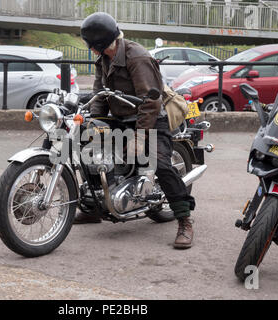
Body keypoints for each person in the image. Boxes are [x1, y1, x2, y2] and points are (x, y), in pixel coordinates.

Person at [76, 12, 196, 249]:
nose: (89, 48)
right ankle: (93, 205)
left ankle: (184, 220)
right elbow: (100, 93)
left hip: (150, 119)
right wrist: (94, 120)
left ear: (99, 42)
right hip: (121, 118)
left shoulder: (136, 56)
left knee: (159, 164)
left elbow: (151, 101)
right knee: (86, 143)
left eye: (90, 43)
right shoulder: (103, 58)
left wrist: (140, 136)